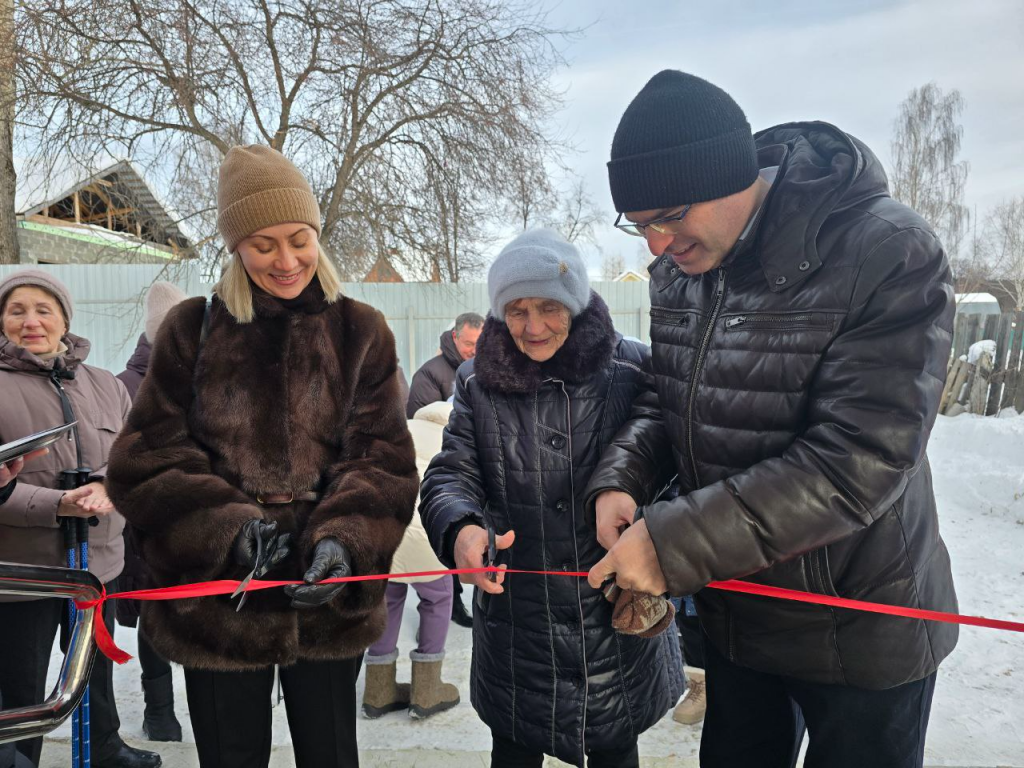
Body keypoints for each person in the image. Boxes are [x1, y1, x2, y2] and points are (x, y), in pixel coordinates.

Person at [586, 70, 958, 768]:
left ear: (729, 176)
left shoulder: (886, 251)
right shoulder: (680, 272)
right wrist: (621, 479)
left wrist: (671, 543)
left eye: (668, 216)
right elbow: (670, 401)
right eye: (639, 226)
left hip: (860, 626)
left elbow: (858, 461)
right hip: (742, 615)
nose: (657, 246)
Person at [105, 145, 419, 768]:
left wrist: (345, 540)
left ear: (318, 236)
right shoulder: (191, 329)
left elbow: (383, 459)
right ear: (235, 248)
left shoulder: (361, 330)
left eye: (299, 240)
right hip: (221, 598)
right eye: (263, 244)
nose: (286, 260)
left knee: (331, 755)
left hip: (325, 595)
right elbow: (147, 459)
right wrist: (228, 530)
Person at [420, 229, 683, 768]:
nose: (533, 326)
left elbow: (673, 462)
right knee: (514, 750)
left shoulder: (633, 369)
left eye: (549, 307)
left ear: (575, 303)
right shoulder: (476, 383)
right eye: (517, 310)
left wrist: (635, 500)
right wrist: (461, 528)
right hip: (518, 632)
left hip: (610, 631)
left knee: (615, 750)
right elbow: (451, 472)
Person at [0, 269, 162, 768]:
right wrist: (55, 504)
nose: (31, 322)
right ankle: (18, 756)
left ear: (64, 320)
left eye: (43, 310)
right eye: (16, 311)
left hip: (95, 563)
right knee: (20, 680)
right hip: (23, 570)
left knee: (93, 666)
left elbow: (137, 453)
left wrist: (110, 484)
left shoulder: (105, 384)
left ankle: (104, 744)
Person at [115, 281, 188, 742]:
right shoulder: (125, 386)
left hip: (198, 521)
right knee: (155, 615)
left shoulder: (201, 378)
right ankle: (159, 709)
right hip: (147, 526)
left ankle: (208, 702)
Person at [362, 401, 460, 721]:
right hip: (425, 530)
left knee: (387, 600)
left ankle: (378, 691)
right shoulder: (454, 438)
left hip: (384, 530)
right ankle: (427, 690)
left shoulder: (404, 429)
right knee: (438, 598)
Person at [406, 310, 484, 628]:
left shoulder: (483, 369)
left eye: (479, 344)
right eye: (468, 344)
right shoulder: (430, 374)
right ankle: (451, 603)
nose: (474, 351)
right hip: (439, 468)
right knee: (445, 533)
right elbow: (420, 422)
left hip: (474, 467)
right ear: (454, 337)